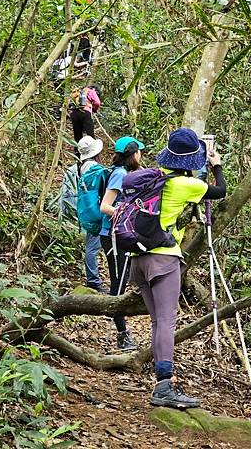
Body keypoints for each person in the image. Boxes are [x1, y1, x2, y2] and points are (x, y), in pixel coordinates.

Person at [129, 127, 226, 408]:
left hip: (138, 259)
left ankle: (162, 383)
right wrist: (216, 165)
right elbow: (219, 191)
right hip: (164, 259)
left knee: (158, 321)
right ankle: (164, 387)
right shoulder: (188, 185)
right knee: (167, 321)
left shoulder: (157, 175)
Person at [100, 136, 145, 351]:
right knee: (118, 285)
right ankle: (122, 334)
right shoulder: (119, 175)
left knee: (121, 281)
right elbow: (105, 206)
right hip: (113, 237)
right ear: (133, 154)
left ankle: (121, 330)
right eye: (139, 152)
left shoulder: (125, 173)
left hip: (119, 236)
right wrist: (127, 212)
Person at [78, 135, 107, 293]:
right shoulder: (96, 169)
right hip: (98, 212)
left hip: (88, 212)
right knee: (93, 248)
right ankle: (93, 281)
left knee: (91, 246)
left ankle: (93, 279)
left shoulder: (83, 167)